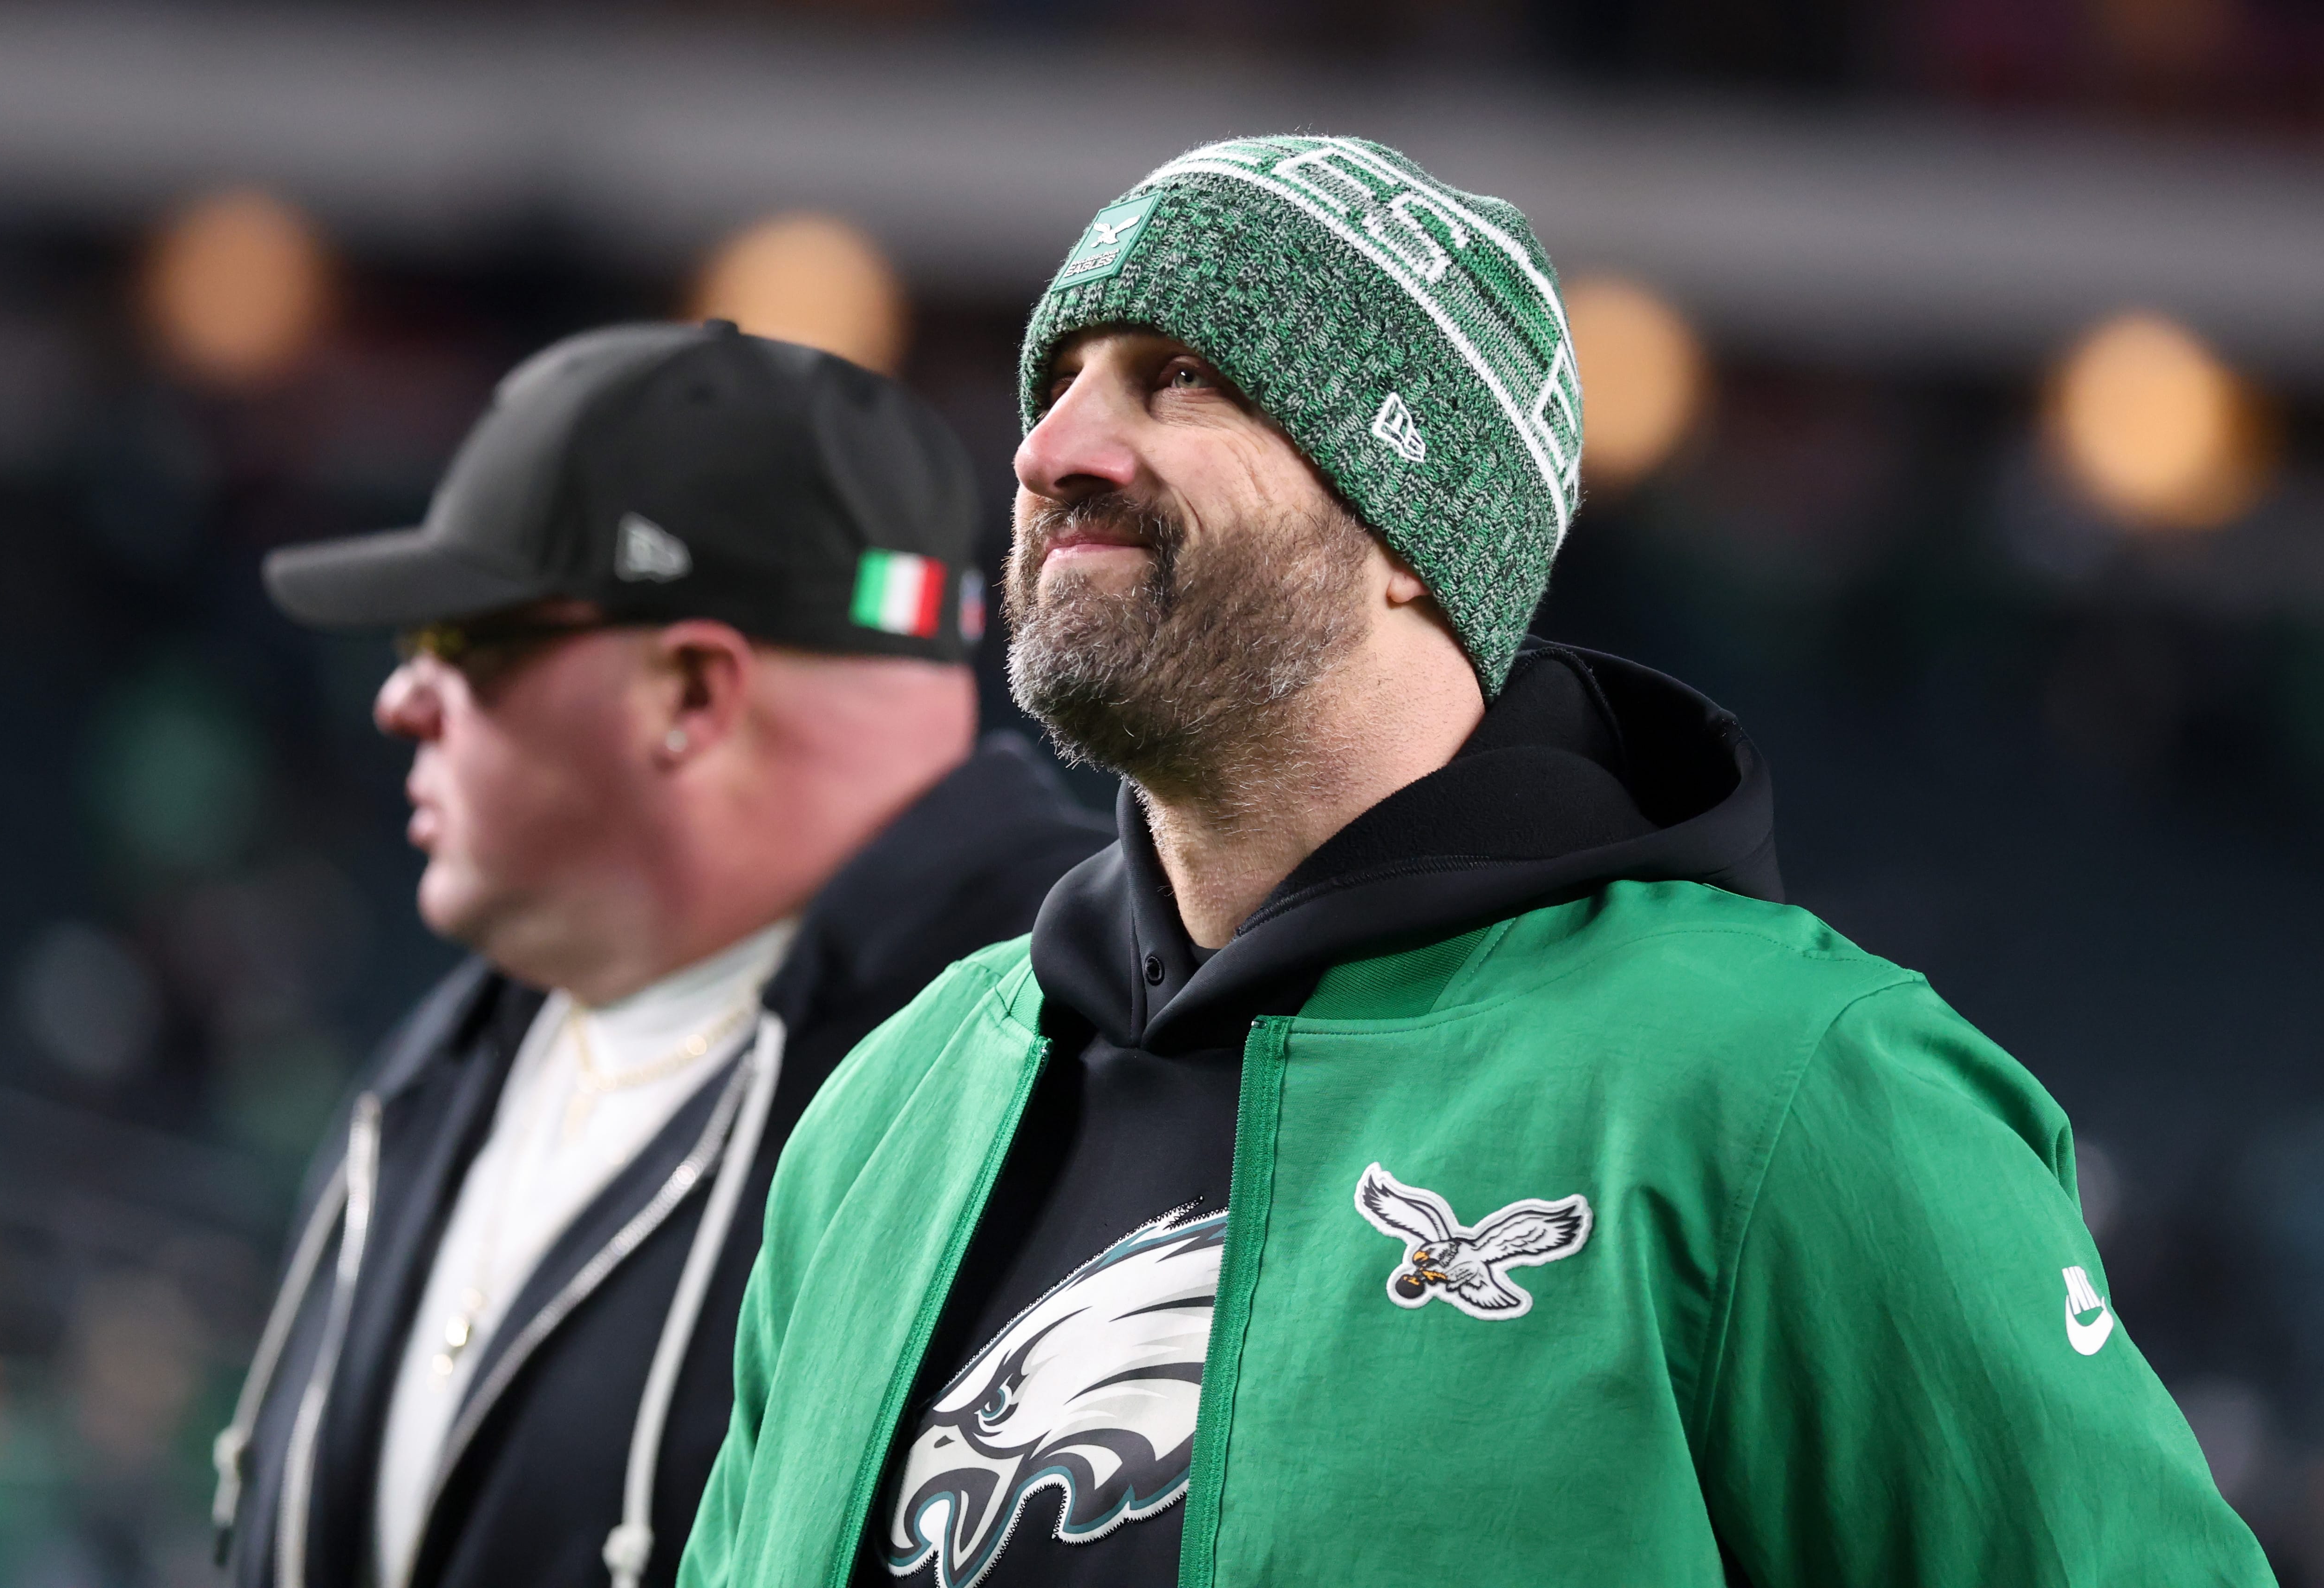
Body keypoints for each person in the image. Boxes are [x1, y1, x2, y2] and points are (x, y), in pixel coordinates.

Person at [676, 137, 2271, 1588]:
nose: (1053, 447)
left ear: (1402, 526)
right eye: (1058, 380)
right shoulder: (893, 1105)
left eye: (1175, 379)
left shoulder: (1784, 1088)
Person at [211, 320, 1110, 1588]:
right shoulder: (460, 1043)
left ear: (693, 692)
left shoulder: (1074, 1063)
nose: (400, 699)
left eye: (466, 641)